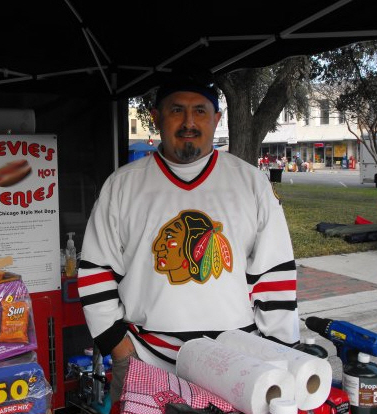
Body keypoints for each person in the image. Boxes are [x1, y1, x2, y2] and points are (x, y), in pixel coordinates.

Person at [77, 68, 299, 405]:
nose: (189, 122)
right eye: (176, 110)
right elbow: (95, 272)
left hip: (236, 363)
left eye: (200, 111)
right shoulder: (122, 186)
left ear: (216, 118)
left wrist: (283, 355)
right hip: (146, 359)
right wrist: (121, 350)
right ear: (156, 117)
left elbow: (276, 276)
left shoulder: (251, 184)